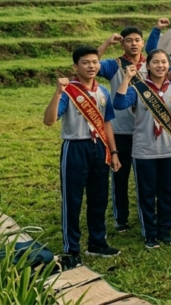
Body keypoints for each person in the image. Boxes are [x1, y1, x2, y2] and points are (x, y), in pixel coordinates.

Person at [44, 46, 122, 269]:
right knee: (73, 199)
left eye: (94, 62)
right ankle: (72, 249)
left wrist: (114, 152)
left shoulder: (103, 92)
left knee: (99, 197)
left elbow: (107, 123)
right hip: (75, 147)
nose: (91, 66)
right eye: (86, 62)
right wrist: (58, 92)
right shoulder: (69, 91)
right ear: (75, 66)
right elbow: (49, 121)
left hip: (100, 148)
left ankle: (97, 242)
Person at [112, 51, 171, 249]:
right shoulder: (138, 89)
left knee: (168, 192)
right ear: (148, 65)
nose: (160, 66)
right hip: (144, 151)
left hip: (169, 150)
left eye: (164, 62)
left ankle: (165, 231)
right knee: (146, 193)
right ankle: (150, 234)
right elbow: (119, 104)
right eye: (156, 62)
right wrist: (127, 79)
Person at [97, 27, 147, 233]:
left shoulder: (151, 63)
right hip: (120, 130)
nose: (133, 43)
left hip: (145, 130)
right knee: (120, 177)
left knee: (145, 178)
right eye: (128, 40)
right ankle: (121, 218)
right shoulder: (114, 65)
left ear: (143, 43)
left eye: (137, 40)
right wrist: (107, 43)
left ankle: (146, 214)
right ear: (122, 44)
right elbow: (90, 65)